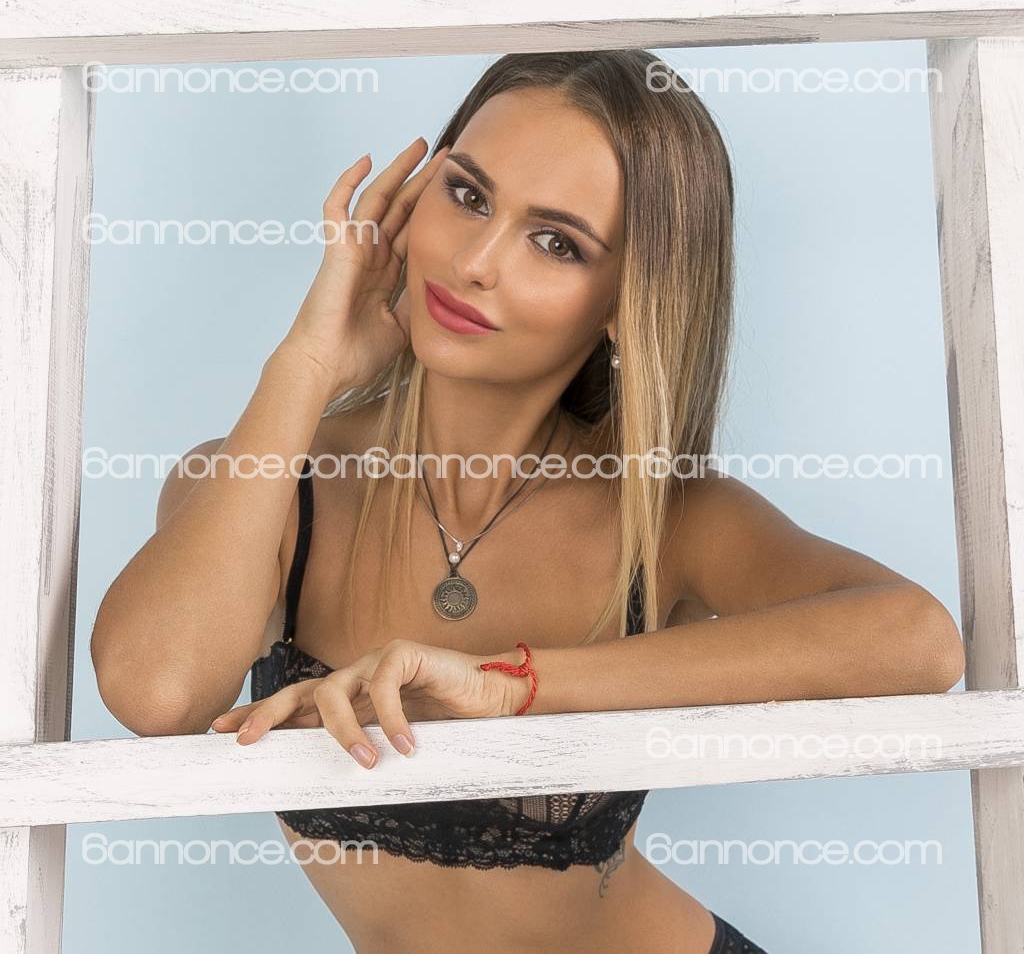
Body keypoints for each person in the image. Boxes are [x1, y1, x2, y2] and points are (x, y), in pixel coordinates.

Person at [92, 49, 965, 954]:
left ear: (626, 298)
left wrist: (511, 684)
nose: (475, 263)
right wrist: (305, 364)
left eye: (556, 242)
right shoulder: (267, 485)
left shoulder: (663, 517)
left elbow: (918, 638)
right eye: (468, 195)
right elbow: (156, 691)